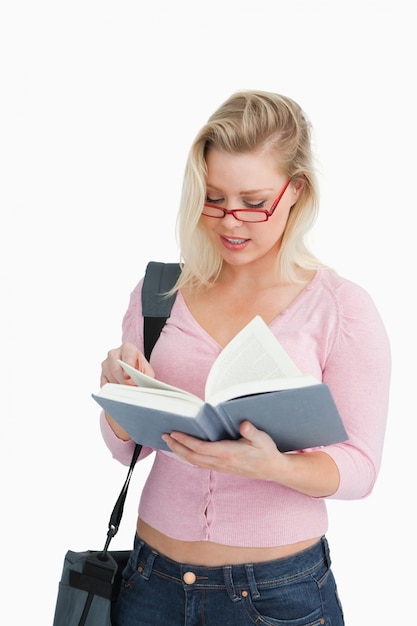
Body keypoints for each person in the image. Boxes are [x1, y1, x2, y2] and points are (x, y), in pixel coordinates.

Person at [100, 90, 391, 625]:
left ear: (296, 191)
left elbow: (361, 467)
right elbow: (129, 454)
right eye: (213, 197)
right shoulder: (159, 291)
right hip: (150, 586)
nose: (231, 222)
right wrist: (120, 400)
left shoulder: (342, 310)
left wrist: (275, 467)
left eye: (254, 202)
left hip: (278, 597)